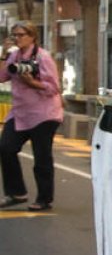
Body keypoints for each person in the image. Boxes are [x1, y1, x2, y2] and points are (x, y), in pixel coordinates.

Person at [0, 22, 63, 211]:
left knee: (41, 157)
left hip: (45, 113)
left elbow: (54, 88)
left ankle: (44, 199)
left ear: (32, 36)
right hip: (21, 113)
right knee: (5, 148)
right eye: (14, 35)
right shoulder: (14, 55)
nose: (17, 39)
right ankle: (16, 192)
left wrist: (33, 83)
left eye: (20, 35)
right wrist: (3, 54)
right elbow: (2, 77)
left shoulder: (43, 57)